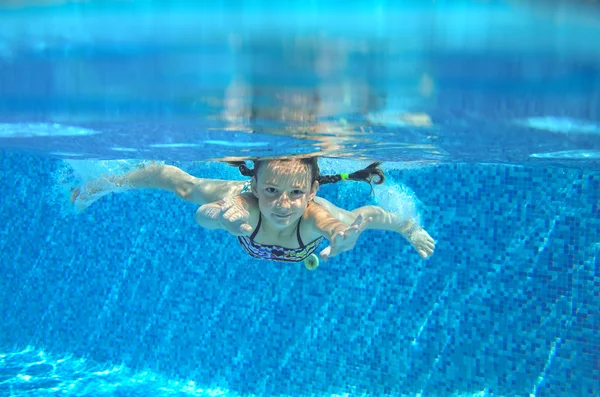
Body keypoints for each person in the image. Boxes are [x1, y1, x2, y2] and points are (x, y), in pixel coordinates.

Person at [71, 157, 435, 263]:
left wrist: (339, 235)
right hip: (240, 202)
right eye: (272, 191)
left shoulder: (315, 217)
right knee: (185, 189)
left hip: (313, 225)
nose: (281, 204)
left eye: (295, 193)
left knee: (359, 217)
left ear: (311, 191)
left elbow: (347, 220)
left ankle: (407, 228)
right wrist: (216, 216)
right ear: (257, 187)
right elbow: (201, 216)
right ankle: (107, 182)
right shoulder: (247, 204)